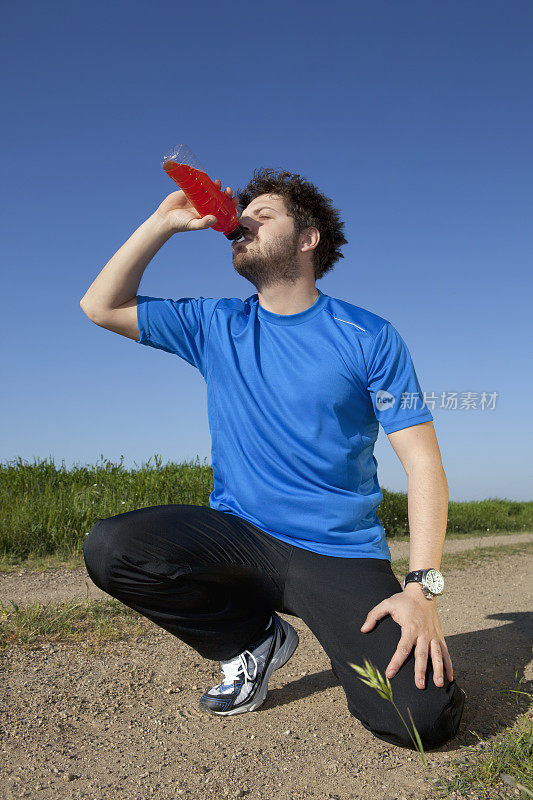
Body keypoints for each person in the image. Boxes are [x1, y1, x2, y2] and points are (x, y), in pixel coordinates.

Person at [80, 168, 466, 749]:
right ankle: (251, 642)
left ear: (307, 239)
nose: (239, 223)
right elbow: (100, 305)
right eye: (241, 217)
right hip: (241, 537)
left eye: (262, 216)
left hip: (337, 553)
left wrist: (421, 590)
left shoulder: (372, 336)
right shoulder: (217, 325)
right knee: (112, 547)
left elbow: (424, 464)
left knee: (420, 719)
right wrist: (162, 223)